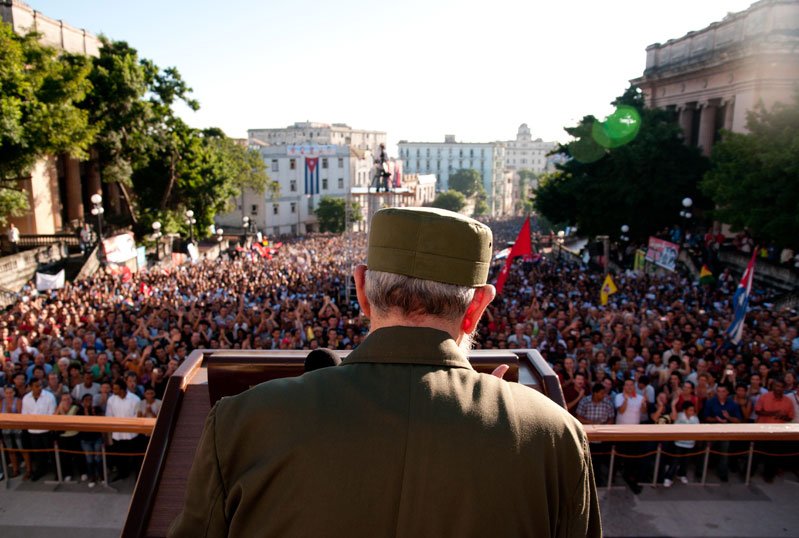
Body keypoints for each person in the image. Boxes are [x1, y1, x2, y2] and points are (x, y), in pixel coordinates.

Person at [169, 207, 600, 537]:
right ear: (478, 307)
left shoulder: (242, 421)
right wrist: (508, 420)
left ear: (361, 290)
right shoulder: (554, 436)